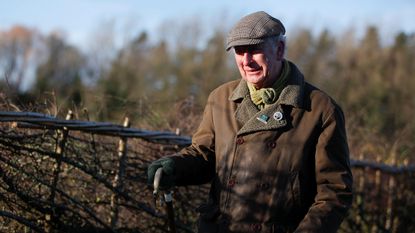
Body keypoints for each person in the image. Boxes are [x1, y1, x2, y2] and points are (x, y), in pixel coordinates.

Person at [148, 11, 353, 233]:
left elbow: (334, 191)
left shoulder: (320, 109)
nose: (246, 61)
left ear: (279, 50)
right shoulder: (220, 99)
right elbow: (205, 156)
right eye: (239, 51)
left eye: (254, 50)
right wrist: (175, 167)